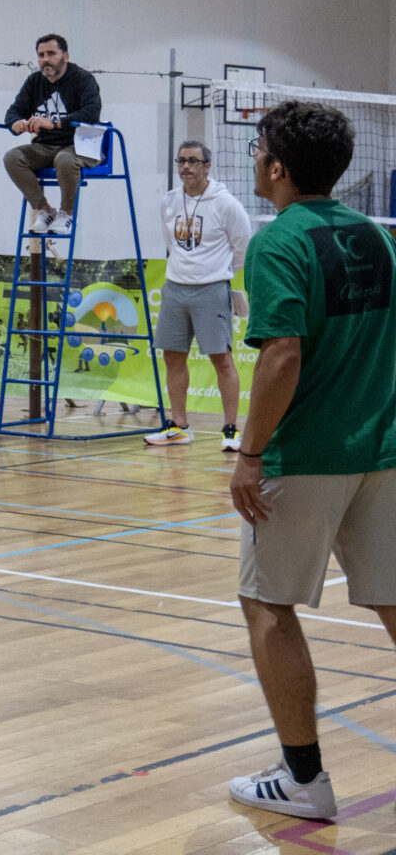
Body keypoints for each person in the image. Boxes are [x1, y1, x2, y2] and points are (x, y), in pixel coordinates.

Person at [224, 100, 396, 821]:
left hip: (307, 455)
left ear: (276, 166)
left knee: (267, 604)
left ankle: (303, 779)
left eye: (259, 147)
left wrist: (249, 453)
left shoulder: (278, 243)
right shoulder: (379, 238)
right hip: (383, 452)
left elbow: (282, 357)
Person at [144, 139, 252, 450]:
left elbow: (243, 246)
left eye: (193, 161)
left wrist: (218, 271)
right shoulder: (169, 201)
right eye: (181, 161)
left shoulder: (226, 204)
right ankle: (179, 426)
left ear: (207, 166)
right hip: (175, 288)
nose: (186, 167)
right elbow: (171, 243)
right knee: (173, 357)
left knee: (222, 358)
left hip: (212, 289)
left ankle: (230, 430)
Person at [2, 34, 103, 237]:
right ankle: (45, 210)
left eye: (51, 54)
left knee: (64, 159)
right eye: (41, 55)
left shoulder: (83, 79)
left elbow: (92, 113)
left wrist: (55, 123)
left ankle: (67, 214)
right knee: (12, 157)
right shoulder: (34, 81)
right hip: (46, 147)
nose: (45, 59)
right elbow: (13, 111)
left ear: (65, 56)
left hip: (81, 145)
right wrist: (16, 123)